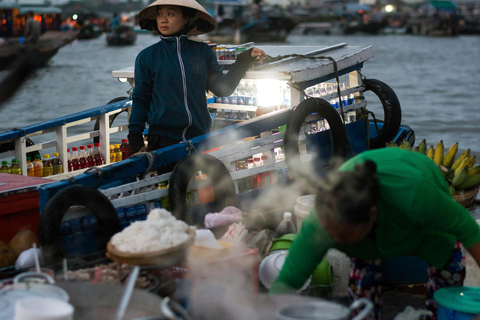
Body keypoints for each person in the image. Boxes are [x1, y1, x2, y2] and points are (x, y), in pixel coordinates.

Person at [269, 148, 480, 320]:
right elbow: (289, 278)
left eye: (341, 235)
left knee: (446, 274)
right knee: (362, 287)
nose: (331, 241)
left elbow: (469, 231)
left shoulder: (417, 196)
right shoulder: (323, 221)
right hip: (365, 234)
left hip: (421, 208)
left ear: (371, 215)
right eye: (328, 232)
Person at [127, 0, 268, 161]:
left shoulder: (203, 52)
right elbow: (140, 100)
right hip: (163, 141)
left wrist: (243, 60)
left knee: (200, 185)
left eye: (170, 14)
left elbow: (223, 89)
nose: (163, 19)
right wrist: (135, 138)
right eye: (160, 14)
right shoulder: (147, 57)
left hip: (200, 139)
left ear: (186, 18)